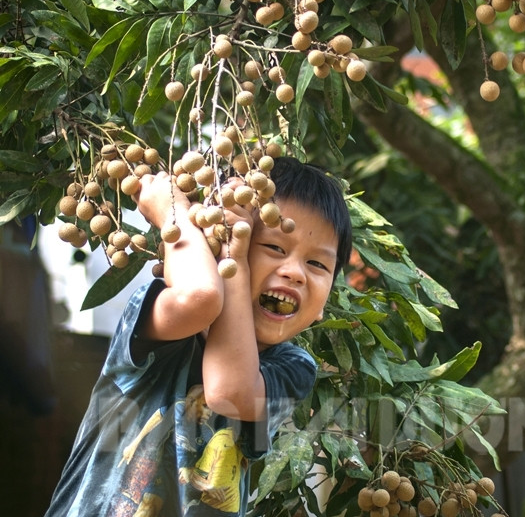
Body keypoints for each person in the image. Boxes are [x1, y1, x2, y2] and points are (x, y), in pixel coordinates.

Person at [44, 156, 353, 517]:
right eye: (274, 248)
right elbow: (201, 297)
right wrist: (172, 212)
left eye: (317, 264)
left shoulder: (293, 368)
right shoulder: (161, 317)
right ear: (217, 240)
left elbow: (229, 391)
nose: (295, 273)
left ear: (324, 306)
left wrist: (232, 252)